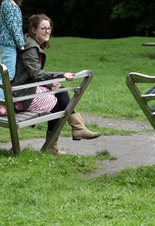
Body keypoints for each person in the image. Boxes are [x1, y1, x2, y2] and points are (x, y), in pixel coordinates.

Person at [12, 13, 101, 155]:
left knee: (60, 90)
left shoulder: (30, 42)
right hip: (20, 97)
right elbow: (36, 74)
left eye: (49, 28)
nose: (47, 31)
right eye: (43, 28)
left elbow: (32, 75)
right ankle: (60, 141)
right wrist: (60, 75)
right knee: (59, 104)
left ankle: (75, 129)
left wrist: (51, 84)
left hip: (22, 90)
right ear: (34, 30)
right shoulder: (31, 48)